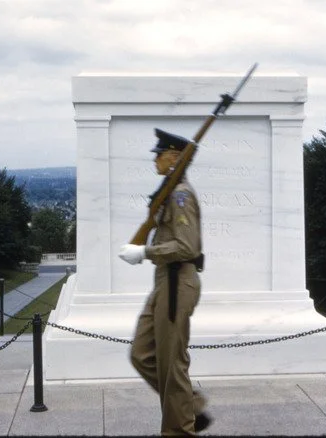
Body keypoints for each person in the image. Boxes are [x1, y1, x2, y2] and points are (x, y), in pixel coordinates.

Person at [118, 128, 212, 436]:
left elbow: (187, 247)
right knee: (142, 354)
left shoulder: (181, 195)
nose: (155, 161)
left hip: (178, 282)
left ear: (173, 158)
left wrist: (145, 251)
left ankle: (180, 430)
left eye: (159, 156)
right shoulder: (170, 193)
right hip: (164, 283)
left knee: (172, 365)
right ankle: (191, 406)